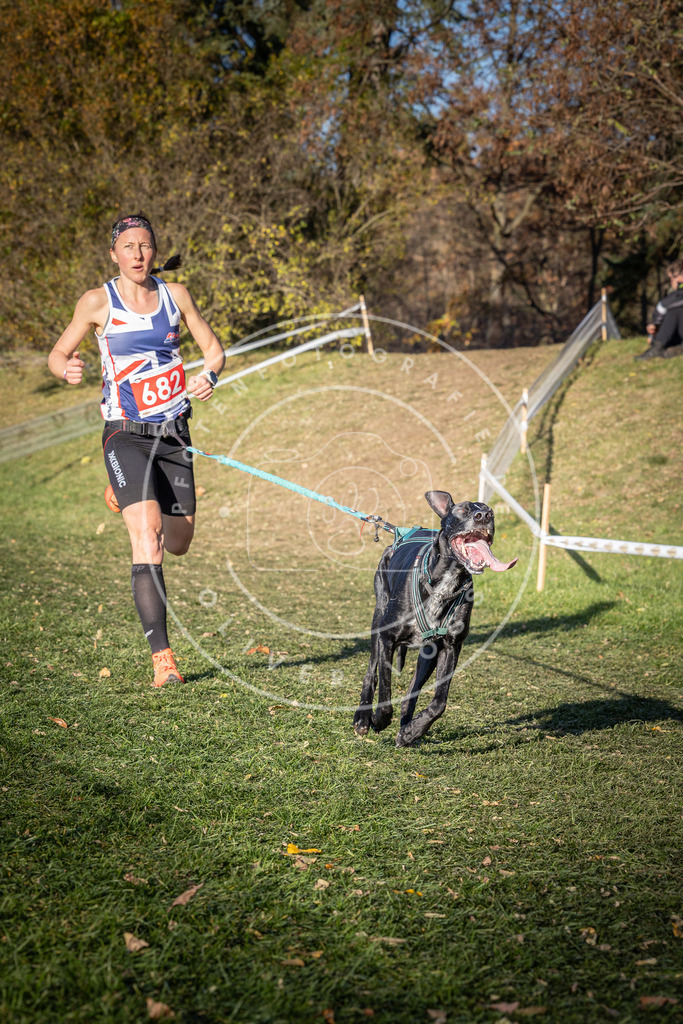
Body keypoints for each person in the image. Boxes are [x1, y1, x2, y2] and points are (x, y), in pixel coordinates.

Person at [48, 213, 225, 687]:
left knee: (180, 540)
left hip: (173, 435)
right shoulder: (96, 302)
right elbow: (57, 353)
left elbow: (214, 350)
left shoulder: (176, 295)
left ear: (153, 249)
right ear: (114, 253)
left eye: (145, 245)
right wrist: (64, 368)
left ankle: (124, 492)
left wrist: (209, 375)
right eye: (128, 246)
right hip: (123, 433)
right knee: (148, 539)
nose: (138, 254)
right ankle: (162, 657)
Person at [635, 258, 683, 359]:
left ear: (678, 277)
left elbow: (663, 306)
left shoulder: (676, 297)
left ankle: (657, 348)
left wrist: (655, 323)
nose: (671, 282)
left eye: (671, 278)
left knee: (675, 310)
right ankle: (672, 349)